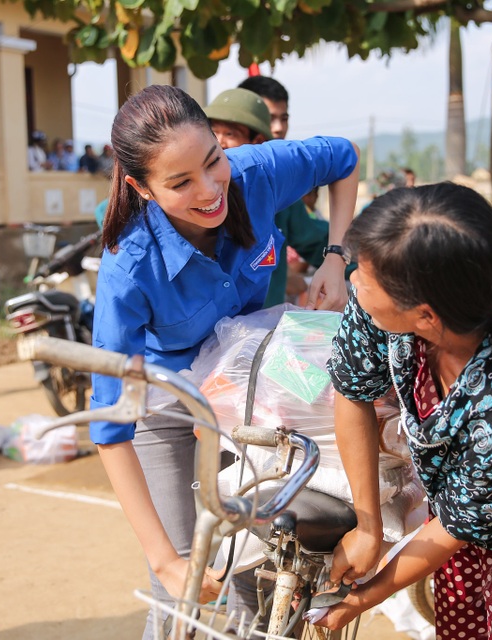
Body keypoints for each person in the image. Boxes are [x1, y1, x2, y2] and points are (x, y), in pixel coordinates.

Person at [90, 84, 359, 639]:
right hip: (170, 403)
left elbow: (345, 157)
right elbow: (111, 427)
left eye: (214, 161)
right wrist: (164, 560)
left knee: (255, 579)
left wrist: (336, 257)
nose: (211, 190)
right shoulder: (128, 266)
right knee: (183, 590)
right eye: (181, 183)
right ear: (141, 187)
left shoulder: (256, 173)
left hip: (247, 391)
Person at [321, 183, 492, 639]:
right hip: (455, 507)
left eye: (365, 280)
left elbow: (455, 527)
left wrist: (363, 598)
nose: (354, 281)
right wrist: (367, 527)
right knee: (461, 626)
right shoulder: (402, 283)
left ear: (425, 317)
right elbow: (352, 389)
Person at [204, 88, 331, 311]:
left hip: (262, 326)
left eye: (230, 134)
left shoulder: (278, 195)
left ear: (257, 142)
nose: (219, 143)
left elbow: (315, 240)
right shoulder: (199, 194)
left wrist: (348, 255)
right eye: (213, 132)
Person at [235, 76, 335, 308]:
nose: (279, 128)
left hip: (263, 326)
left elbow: (316, 240)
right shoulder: (207, 189)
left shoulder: (282, 188)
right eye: (269, 118)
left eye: (284, 118)